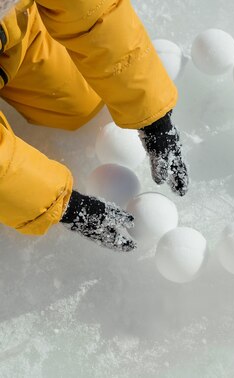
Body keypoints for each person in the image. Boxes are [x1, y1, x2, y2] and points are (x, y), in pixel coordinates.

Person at [0, 0, 189, 252]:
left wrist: (152, 114)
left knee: (80, 103)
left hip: (12, 32)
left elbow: (94, 13)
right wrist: (59, 204)